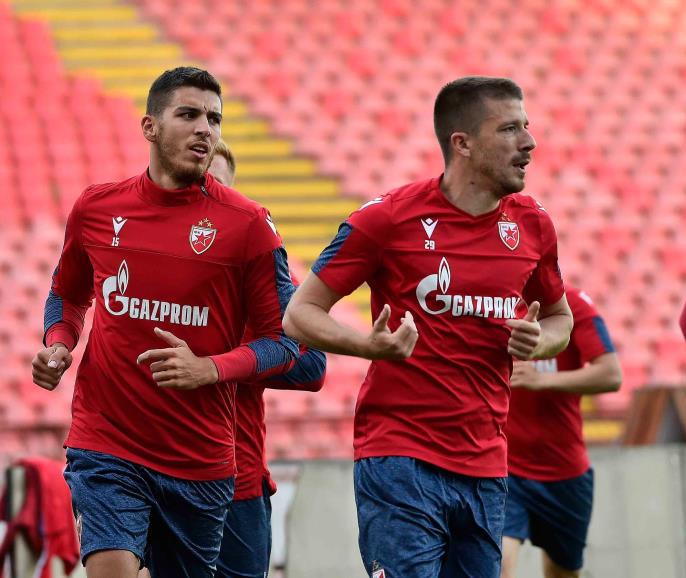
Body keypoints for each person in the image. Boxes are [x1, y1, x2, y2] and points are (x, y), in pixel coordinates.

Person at [283, 76, 574, 578]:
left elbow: (559, 318)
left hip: (486, 463)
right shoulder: (387, 219)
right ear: (462, 143)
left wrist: (540, 340)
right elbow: (298, 314)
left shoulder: (533, 224)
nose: (529, 142)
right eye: (509, 129)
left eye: (526, 126)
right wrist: (369, 345)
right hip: (401, 457)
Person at [31, 67, 299, 578]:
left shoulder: (249, 225)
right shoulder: (97, 207)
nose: (205, 129)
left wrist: (210, 368)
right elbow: (67, 294)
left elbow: (284, 345)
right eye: (189, 114)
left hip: (199, 458)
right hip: (107, 441)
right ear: (150, 126)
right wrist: (59, 342)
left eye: (214, 119)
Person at [205, 141, 327, 578]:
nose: (210, 198)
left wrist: (225, 361)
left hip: (237, 482)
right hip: (160, 475)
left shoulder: (261, 260)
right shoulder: (152, 256)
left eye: (220, 188)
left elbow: (313, 366)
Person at [500, 287, 622, 578]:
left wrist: (542, 380)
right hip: (505, 469)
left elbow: (611, 374)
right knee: (498, 564)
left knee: (562, 573)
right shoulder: (494, 303)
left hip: (564, 472)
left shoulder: (575, 306)